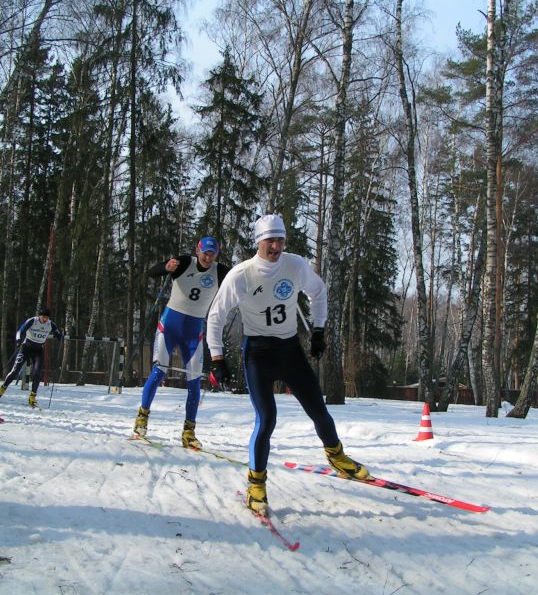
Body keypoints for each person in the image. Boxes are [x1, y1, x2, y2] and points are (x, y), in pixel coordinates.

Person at [206, 214, 368, 517]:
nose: (277, 246)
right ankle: (256, 486)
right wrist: (217, 359)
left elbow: (318, 292)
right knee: (266, 420)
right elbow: (216, 315)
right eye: (271, 240)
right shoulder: (242, 274)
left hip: (289, 349)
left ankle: (338, 457)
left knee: (319, 410)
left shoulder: (295, 265)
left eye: (281, 239)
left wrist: (319, 330)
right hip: (258, 353)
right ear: (259, 242)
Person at [133, 236, 231, 448]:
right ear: (198, 250)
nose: (208, 256)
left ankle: (189, 431)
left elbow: (240, 283)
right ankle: (142, 417)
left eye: (212, 253)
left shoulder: (220, 271)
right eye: (205, 252)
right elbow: (153, 271)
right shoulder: (186, 262)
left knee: (194, 381)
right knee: (159, 372)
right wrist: (166, 267)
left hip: (194, 331)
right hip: (170, 327)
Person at [0, 308, 63, 407]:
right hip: (26, 348)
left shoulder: (51, 324)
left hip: (38, 350)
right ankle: (1, 390)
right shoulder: (33, 321)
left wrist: (60, 335)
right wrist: (19, 341)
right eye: (43, 317)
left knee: (37, 373)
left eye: (47, 318)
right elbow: (20, 331)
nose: (45, 320)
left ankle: (32, 397)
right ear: (39, 316)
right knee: (15, 370)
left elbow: (58, 335)